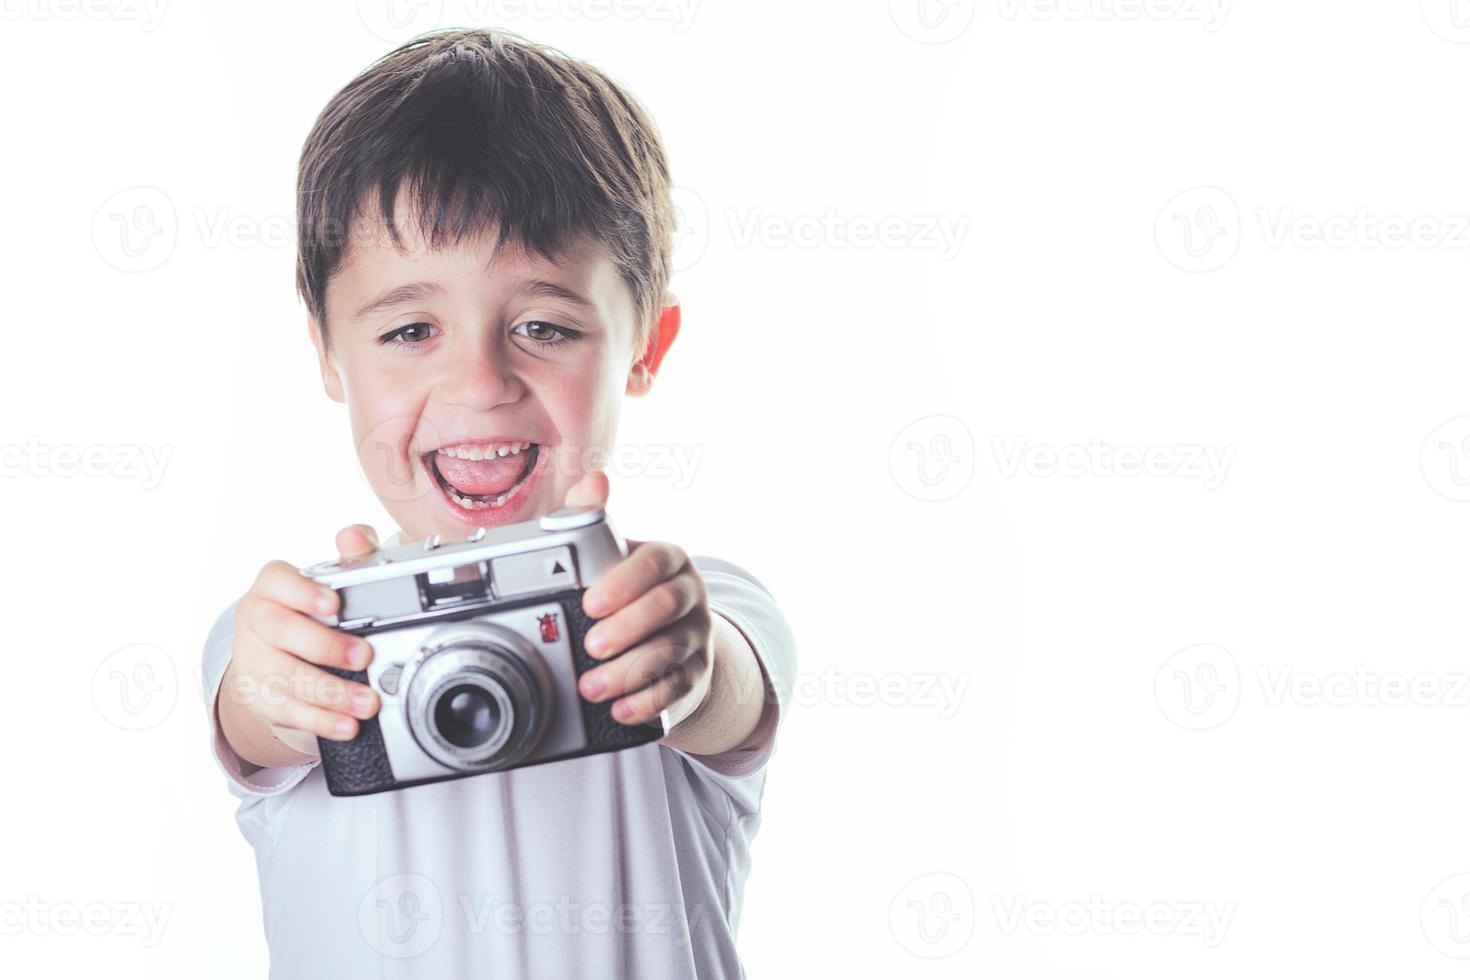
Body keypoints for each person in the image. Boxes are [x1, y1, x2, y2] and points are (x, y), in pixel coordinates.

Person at [201, 28, 796, 978]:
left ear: (647, 345)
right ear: (325, 351)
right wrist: (275, 687)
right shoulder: (300, 627)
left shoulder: (682, 604)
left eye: (545, 325)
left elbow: (726, 693)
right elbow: (254, 713)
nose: (479, 382)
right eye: (409, 328)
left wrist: (683, 663)